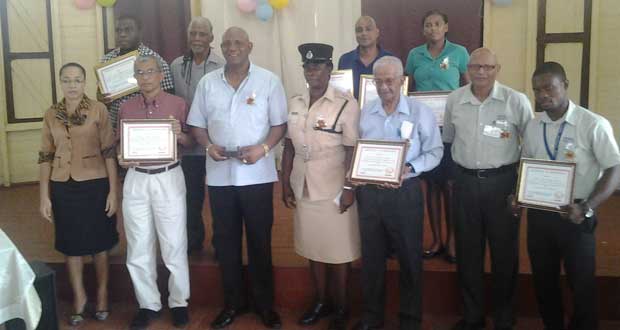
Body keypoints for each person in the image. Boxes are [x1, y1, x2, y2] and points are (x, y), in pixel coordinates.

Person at [187, 27, 287, 329]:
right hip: (220, 178)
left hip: (257, 177)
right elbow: (197, 125)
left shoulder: (269, 81)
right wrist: (207, 146)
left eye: (238, 43)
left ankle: (264, 306)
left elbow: (279, 125)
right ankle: (232, 303)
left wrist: (264, 148)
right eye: (227, 43)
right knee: (226, 244)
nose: (232, 48)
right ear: (221, 47)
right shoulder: (207, 83)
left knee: (260, 242)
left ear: (250, 46)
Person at [518, 61, 620, 330]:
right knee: (544, 281)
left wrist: (587, 207)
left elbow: (614, 169)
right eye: (537, 90)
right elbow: (526, 165)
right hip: (540, 215)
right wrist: (517, 195)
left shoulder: (592, 124)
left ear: (565, 85)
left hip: (576, 215)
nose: (542, 95)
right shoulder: (532, 125)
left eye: (549, 87)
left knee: (582, 284)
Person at [442, 48, 533, 330]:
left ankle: (504, 317)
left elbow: (530, 148)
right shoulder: (455, 100)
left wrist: (520, 191)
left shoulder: (515, 101)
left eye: (488, 67)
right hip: (466, 184)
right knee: (468, 254)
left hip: (503, 185)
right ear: (467, 69)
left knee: (504, 254)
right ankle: (473, 316)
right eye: (476, 67)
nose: (481, 72)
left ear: (498, 69)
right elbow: (449, 141)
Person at [353, 56, 443, 330]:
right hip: (369, 195)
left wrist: (411, 166)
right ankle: (371, 317)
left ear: (402, 81)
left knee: (409, 258)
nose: (383, 87)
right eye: (378, 81)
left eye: (389, 80)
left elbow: (436, 152)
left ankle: (410, 320)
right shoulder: (366, 111)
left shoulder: (421, 113)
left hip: (406, 193)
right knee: (371, 257)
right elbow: (358, 149)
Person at [281, 43, 361, 330]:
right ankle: (321, 301)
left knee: (338, 252)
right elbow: (289, 145)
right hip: (303, 184)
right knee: (313, 248)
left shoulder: (345, 103)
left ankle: (341, 307)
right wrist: (285, 183)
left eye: (318, 66)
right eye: (307, 66)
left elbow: (353, 150)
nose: (312, 71)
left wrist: (350, 188)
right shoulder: (296, 101)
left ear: (329, 69)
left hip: (333, 186)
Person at [38, 62, 118, 326]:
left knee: (100, 243)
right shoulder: (51, 114)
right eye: (66, 80)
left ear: (85, 83)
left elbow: (109, 152)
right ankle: (80, 297)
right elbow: (45, 155)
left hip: (95, 184)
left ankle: (103, 294)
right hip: (63, 186)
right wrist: (44, 196)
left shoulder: (98, 109)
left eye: (77, 80)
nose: (72, 85)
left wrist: (113, 192)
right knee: (70, 244)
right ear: (60, 82)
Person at [118, 55, 193, 329]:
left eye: (150, 72)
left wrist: (179, 134)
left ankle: (179, 302)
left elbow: (190, 141)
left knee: (174, 243)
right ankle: (147, 303)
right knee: (138, 245)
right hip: (136, 179)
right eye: (140, 73)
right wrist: (121, 158)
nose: (145, 77)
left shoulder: (178, 104)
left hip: (168, 176)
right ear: (135, 77)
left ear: (161, 75)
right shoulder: (126, 108)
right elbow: (121, 147)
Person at [405, 9, 470, 262]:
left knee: (451, 185)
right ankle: (436, 239)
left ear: (446, 27)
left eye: (437, 24)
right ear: (423, 30)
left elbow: (467, 86)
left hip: (451, 128)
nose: (432, 28)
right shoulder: (414, 55)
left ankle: (452, 239)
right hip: (425, 130)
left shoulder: (459, 53)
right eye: (428, 25)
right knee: (431, 184)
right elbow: (407, 88)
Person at [170, 16, 224, 254]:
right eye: (193, 34)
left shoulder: (222, 65)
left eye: (203, 34)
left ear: (211, 38)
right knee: (191, 197)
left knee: (218, 198)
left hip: (214, 143)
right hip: (187, 145)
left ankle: (221, 243)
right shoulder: (175, 65)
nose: (198, 39)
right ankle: (193, 241)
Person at [99, 15, 174, 132]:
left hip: (147, 128)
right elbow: (101, 98)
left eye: (128, 30)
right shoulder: (106, 61)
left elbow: (168, 100)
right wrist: (102, 98)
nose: (122, 34)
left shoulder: (155, 61)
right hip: (114, 128)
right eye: (118, 30)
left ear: (139, 32)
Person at [338, 16, 393, 99]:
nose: (364, 33)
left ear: (377, 32)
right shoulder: (345, 60)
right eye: (359, 30)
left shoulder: (390, 60)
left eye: (368, 29)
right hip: (351, 110)